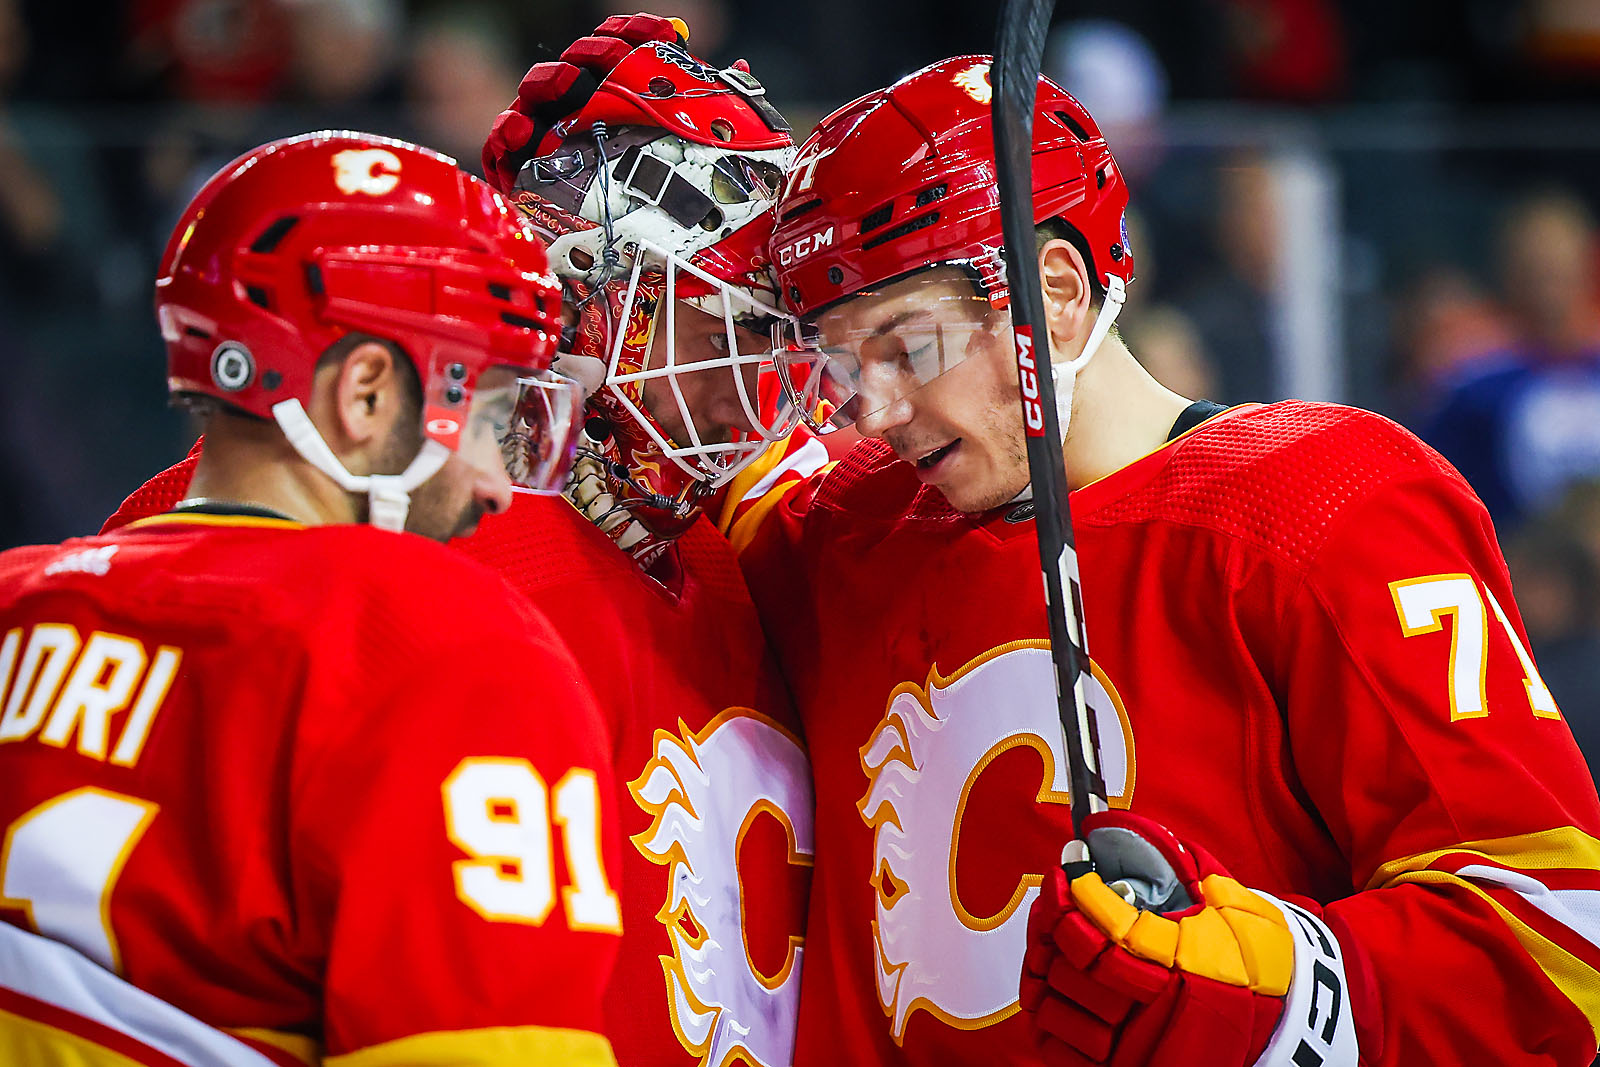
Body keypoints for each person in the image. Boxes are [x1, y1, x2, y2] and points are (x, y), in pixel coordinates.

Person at [744, 57, 1600, 1066]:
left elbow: (1550, 937)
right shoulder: (839, 533)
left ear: (1052, 291)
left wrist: (1275, 985)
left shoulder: (1326, 503)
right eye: (845, 365)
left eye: (907, 348)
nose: (875, 411)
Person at [101, 17, 823, 1067]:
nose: (763, 384)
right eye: (729, 329)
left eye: (787, 334)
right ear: (593, 296)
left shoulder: (750, 553)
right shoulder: (351, 519)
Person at [0, 132, 622, 1065]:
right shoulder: (443, 649)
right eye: (494, 417)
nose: (497, 483)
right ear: (366, 392)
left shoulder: (18, 602)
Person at [1418, 188, 1600, 527]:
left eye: (1559, 272)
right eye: (1536, 273)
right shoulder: (1473, 379)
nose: (1549, 290)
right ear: (1509, 275)